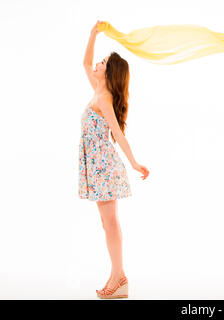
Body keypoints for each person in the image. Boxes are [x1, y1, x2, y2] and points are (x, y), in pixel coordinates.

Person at [80, 20, 150, 299]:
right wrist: (92, 34)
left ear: (108, 74)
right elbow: (85, 63)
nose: (97, 64)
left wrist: (133, 162)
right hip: (99, 168)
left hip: (105, 168)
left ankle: (119, 278)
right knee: (106, 223)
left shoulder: (105, 97)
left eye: (102, 63)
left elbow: (118, 135)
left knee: (111, 224)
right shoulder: (98, 89)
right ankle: (116, 275)